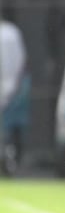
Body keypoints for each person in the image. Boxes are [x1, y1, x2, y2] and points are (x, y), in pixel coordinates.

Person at [0, 19, 30, 175]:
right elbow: (21, 60)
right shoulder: (12, 32)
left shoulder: (10, 32)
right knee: (13, 129)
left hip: (14, 86)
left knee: (11, 128)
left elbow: (19, 60)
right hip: (15, 85)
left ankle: (11, 161)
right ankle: (13, 160)